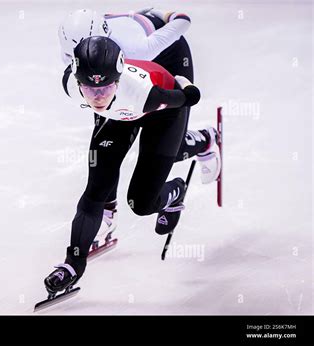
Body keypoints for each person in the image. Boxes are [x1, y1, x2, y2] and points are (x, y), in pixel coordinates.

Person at [44, 36, 203, 294]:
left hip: (162, 114)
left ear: (118, 80)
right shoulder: (71, 84)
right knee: (96, 188)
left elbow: (184, 97)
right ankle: (73, 264)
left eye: (105, 88)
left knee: (141, 204)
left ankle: (175, 190)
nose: (97, 97)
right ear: (77, 82)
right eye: (89, 89)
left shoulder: (145, 94)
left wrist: (188, 89)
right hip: (120, 114)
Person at [57, 9, 220, 246]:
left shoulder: (136, 47)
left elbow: (183, 21)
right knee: (105, 139)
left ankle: (205, 140)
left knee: (164, 150)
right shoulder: (73, 54)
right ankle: (107, 212)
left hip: (167, 60)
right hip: (121, 73)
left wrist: (159, 14)